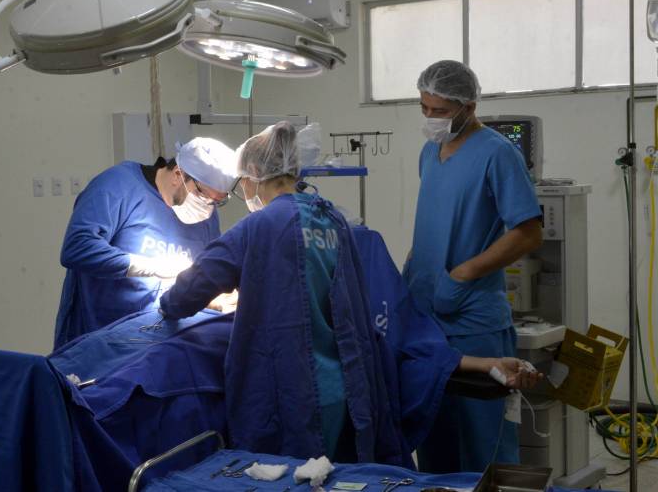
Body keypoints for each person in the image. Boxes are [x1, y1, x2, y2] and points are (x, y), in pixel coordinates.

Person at [160, 122, 540, 463]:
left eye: (241, 183)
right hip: (343, 390)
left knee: (288, 477)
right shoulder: (334, 221)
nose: (243, 191)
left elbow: (190, 290)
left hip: (288, 392)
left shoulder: (259, 226)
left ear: (254, 175)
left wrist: (168, 302)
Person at [403, 60, 544, 473]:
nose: (431, 118)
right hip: (428, 319)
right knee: (435, 440)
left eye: (441, 110)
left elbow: (528, 233)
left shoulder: (497, 153)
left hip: (473, 319)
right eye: (424, 108)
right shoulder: (430, 153)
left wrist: (462, 274)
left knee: (485, 447)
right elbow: (433, 222)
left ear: (469, 106)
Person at [53, 137, 237, 349]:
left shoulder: (205, 216)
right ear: (178, 174)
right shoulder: (119, 186)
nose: (207, 207)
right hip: (102, 343)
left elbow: (203, 272)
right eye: (203, 196)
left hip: (162, 346)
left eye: (216, 201)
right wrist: (149, 266)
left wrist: (211, 297)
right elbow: (77, 248)